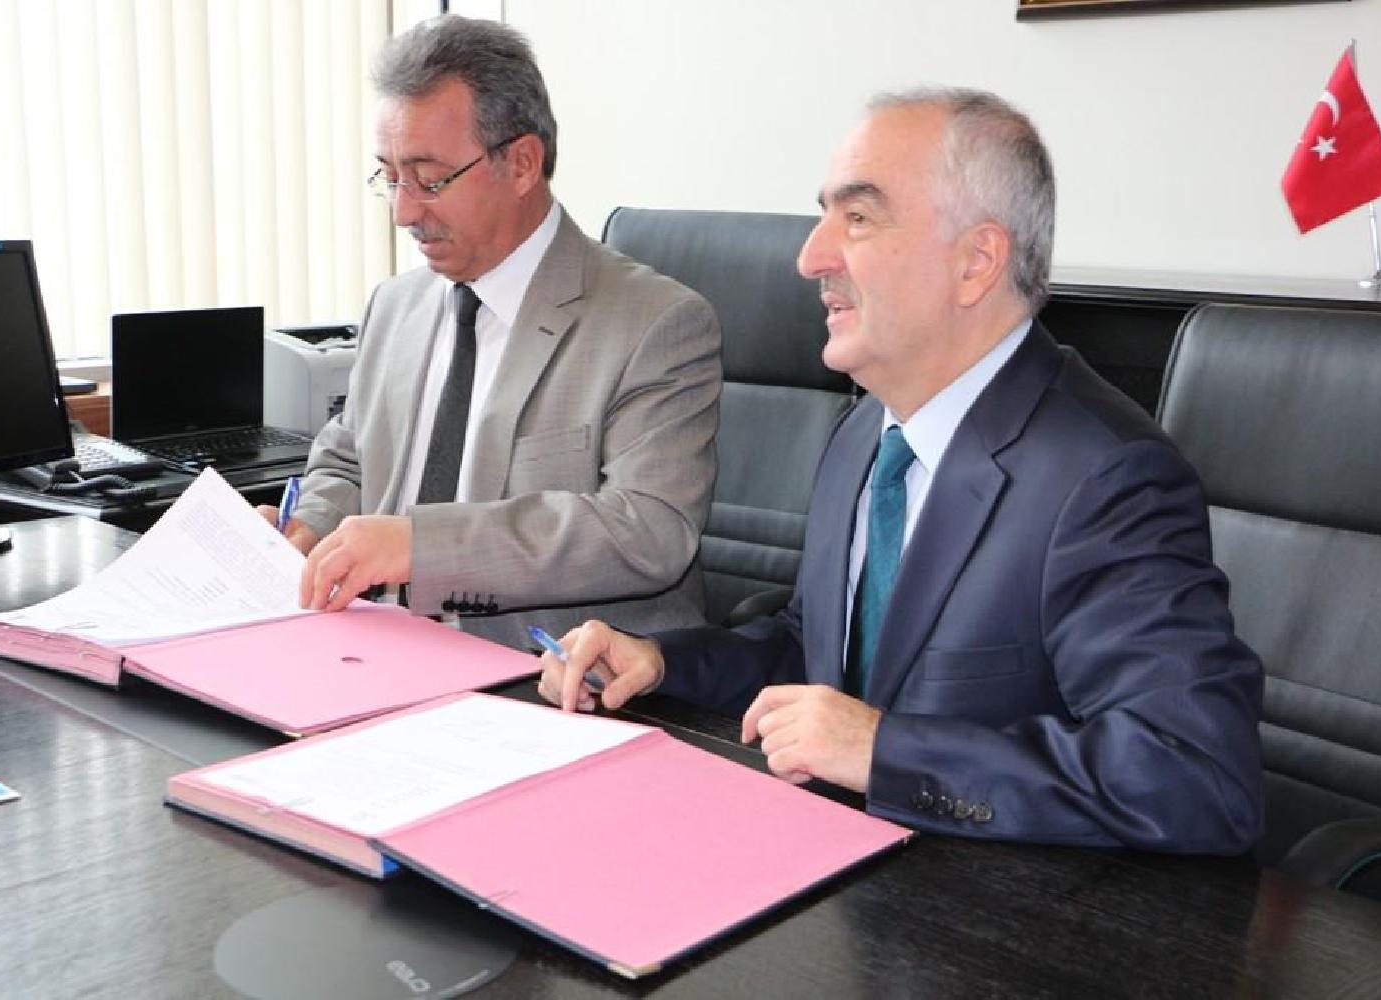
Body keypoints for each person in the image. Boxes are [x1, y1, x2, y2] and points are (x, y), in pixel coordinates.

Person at [539, 88, 1264, 853]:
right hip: (837, 867)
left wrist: (885, 752)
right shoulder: (867, 433)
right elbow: (817, 653)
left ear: (976, 262)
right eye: (824, 215)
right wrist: (662, 661)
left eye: (857, 218)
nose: (810, 257)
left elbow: (1196, 778)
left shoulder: (1106, 478)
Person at [264, 16, 722, 651]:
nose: (404, 211)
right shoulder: (395, 305)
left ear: (523, 163)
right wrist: (313, 529)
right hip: (377, 652)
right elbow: (349, 457)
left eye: (429, 178)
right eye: (390, 177)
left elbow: (648, 531)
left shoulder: (655, 323)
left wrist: (421, 548)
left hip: (550, 677)